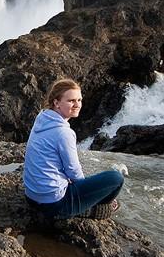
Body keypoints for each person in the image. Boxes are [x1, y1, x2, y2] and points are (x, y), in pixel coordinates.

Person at [24, 78, 124, 219]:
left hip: (31, 196)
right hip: (53, 204)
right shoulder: (64, 132)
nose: (77, 105)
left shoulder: (42, 118)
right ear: (56, 102)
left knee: (88, 180)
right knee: (115, 178)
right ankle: (95, 207)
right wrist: (88, 193)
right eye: (71, 101)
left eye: (79, 100)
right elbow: (74, 171)